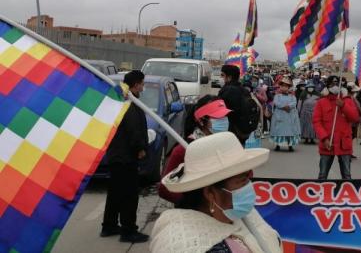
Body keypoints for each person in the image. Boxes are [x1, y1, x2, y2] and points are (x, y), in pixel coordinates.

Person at [151, 132, 282, 253]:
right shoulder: (190, 245)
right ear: (210, 194)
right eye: (242, 181)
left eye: (248, 179)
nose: (249, 186)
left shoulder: (239, 215)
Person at [101, 70, 150, 243]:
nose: (143, 87)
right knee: (129, 195)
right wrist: (140, 148)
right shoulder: (130, 103)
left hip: (116, 155)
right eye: (142, 84)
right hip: (126, 157)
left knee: (115, 192)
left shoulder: (122, 99)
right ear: (136, 84)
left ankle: (109, 225)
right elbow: (133, 129)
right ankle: (129, 231)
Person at [159, 96, 231, 204]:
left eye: (225, 117)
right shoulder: (184, 150)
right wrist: (195, 204)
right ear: (202, 121)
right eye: (218, 118)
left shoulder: (228, 144)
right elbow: (164, 189)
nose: (224, 121)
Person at [313, 76, 360, 179]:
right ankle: (322, 194)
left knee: (347, 176)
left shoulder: (347, 101)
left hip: (344, 143)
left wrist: (343, 106)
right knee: (322, 175)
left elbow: (355, 118)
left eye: (336, 84)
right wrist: (324, 138)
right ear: (327, 86)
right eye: (332, 84)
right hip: (327, 143)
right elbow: (317, 122)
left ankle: (347, 194)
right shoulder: (321, 102)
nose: (334, 86)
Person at [269, 77, 301, 151]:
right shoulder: (277, 96)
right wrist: (284, 107)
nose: (284, 87)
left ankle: (290, 146)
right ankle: (278, 145)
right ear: (280, 87)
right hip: (280, 116)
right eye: (282, 86)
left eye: (286, 86)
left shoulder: (292, 96)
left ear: (289, 87)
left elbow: (294, 103)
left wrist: (288, 106)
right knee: (278, 131)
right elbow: (276, 103)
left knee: (290, 131)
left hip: (289, 116)